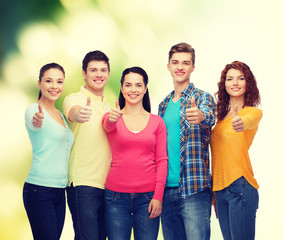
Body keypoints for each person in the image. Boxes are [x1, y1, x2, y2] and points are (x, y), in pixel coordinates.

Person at [102, 67, 168, 240]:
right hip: (115, 198)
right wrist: (111, 118)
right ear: (122, 88)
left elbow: (162, 160)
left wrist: (158, 196)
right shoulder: (113, 117)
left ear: (145, 88)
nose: (133, 90)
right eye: (128, 85)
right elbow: (107, 125)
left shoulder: (157, 122)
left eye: (138, 85)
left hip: (148, 199)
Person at [158, 42, 215, 240]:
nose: (180, 67)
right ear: (168, 66)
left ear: (193, 67)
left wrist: (199, 116)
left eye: (185, 63)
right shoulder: (163, 105)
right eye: (175, 62)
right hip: (166, 191)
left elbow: (209, 116)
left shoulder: (202, 98)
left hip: (194, 189)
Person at [210, 61, 262, 240]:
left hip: (241, 186)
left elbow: (250, 121)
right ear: (224, 84)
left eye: (241, 78)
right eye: (230, 78)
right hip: (221, 191)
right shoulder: (220, 118)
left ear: (248, 83)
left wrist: (241, 123)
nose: (235, 83)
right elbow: (217, 157)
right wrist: (216, 195)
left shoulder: (252, 113)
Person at [63, 50, 111, 240]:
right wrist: (78, 114)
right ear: (84, 73)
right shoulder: (74, 99)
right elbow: (73, 112)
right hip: (83, 185)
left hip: (108, 187)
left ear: (108, 74)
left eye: (103, 70)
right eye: (93, 70)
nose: (98, 74)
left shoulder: (109, 107)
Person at [23, 63, 74, 240]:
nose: (54, 86)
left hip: (60, 191)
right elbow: (34, 121)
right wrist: (37, 120)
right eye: (49, 81)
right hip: (39, 189)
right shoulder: (34, 110)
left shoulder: (60, 115)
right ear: (39, 84)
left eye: (59, 81)